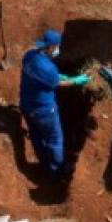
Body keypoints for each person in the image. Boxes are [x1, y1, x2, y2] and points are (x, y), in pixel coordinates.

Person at [19, 30, 90, 178]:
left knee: (36, 135)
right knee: (55, 139)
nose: (58, 49)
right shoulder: (48, 68)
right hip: (44, 110)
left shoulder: (29, 56)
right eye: (56, 46)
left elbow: (42, 76)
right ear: (51, 47)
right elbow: (59, 83)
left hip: (26, 105)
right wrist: (77, 80)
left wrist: (59, 75)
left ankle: (44, 163)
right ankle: (57, 170)